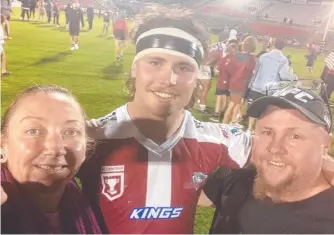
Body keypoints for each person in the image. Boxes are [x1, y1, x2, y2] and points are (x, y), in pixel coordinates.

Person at [79, 6, 252, 234]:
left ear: (196, 77)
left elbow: (291, 153)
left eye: (183, 67)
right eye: (155, 62)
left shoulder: (218, 140)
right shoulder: (91, 138)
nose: (169, 79)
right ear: (134, 68)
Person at [200, 87, 334, 233]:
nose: (275, 148)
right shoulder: (236, 178)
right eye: (268, 132)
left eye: (294, 136)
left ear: (325, 144)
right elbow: (182, 194)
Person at [1, 85, 101, 234]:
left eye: (71, 131)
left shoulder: (87, 204)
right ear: (3, 146)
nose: (56, 148)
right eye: (33, 131)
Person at [247, 38, 297, 131]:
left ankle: (249, 129)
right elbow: (283, 75)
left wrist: (251, 84)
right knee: (264, 111)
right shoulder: (283, 60)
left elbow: (256, 71)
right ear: (283, 47)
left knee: (254, 108)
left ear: (274, 44)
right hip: (270, 89)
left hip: (257, 86)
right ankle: (258, 130)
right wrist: (294, 77)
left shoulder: (264, 56)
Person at [222, 36, 257, 126]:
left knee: (235, 103)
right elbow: (251, 71)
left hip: (233, 82)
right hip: (241, 83)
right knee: (233, 104)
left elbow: (229, 68)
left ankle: (233, 122)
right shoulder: (251, 59)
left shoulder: (237, 55)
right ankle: (224, 124)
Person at [209, 43, 238, 122]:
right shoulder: (235, 60)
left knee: (219, 96)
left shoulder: (224, 58)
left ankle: (216, 114)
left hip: (221, 80)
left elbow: (218, 69)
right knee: (224, 97)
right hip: (229, 82)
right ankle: (221, 113)